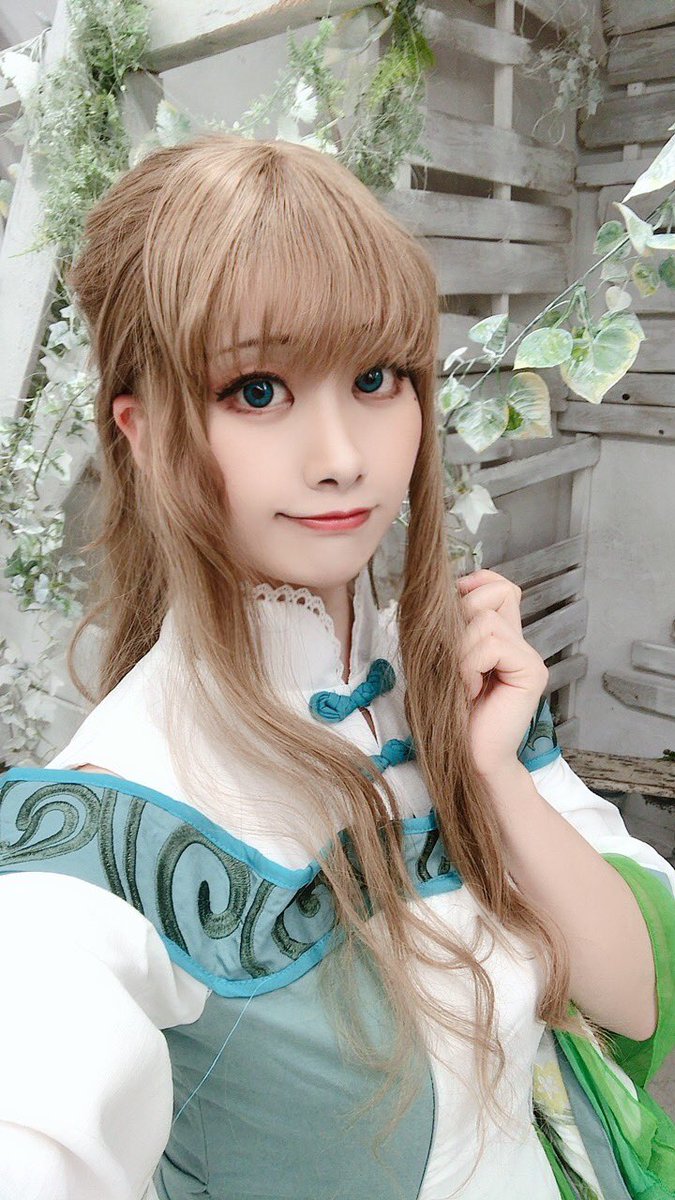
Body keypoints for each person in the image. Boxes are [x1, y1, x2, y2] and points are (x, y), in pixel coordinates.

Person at [0, 133, 673, 1200]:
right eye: (256, 390)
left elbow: (633, 1002)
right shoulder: (110, 826)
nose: (343, 458)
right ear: (145, 430)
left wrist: (491, 772)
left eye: (373, 378)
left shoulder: (455, 681)